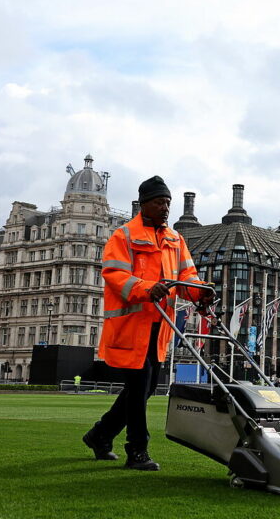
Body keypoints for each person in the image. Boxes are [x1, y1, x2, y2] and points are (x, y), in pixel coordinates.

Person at [82, 176, 212, 471]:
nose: (165, 207)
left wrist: (200, 292)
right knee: (140, 387)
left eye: (167, 202)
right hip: (132, 326)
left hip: (159, 328)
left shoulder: (176, 240)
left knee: (146, 387)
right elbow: (114, 274)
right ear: (144, 204)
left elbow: (187, 277)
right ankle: (136, 450)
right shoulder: (124, 236)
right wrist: (146, 288)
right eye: (159, 202)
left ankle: (100, 435)